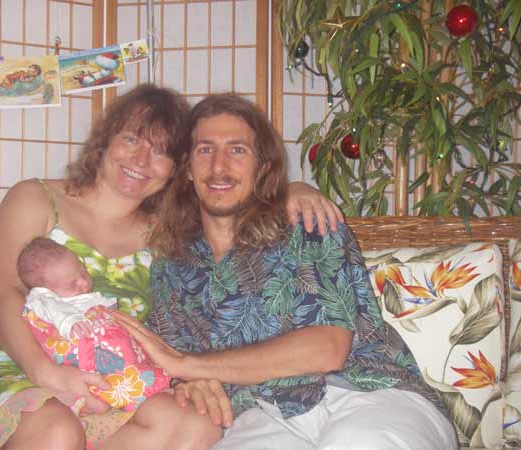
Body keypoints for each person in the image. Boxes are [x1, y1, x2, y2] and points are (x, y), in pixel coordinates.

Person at [0, 84, 343, 450]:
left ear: (177, 169)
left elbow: (235, 199)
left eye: (161, 152)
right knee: (56, 431)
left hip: (111, 379)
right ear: (105, 141)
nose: (142, 160)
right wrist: (46, 373)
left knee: (199, 425)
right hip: (9, 362)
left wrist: (295, 189)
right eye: (131, 140)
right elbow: (2, 293)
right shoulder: (37, 199)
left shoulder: (169, 230)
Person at [113, 93, 458, 450]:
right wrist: (185, 378)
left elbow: (326, 349)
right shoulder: (172, 265)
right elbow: (174, 365)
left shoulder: (307, 224)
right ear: (186, 168)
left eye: (237, 150)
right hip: (263, 416)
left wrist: (190, 365)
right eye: (205, 150)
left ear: (262, 167)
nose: (218, 167)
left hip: (369, 393)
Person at [17, 237, 170, 410]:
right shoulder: (42, 298)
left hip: (105, 333)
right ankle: (131, 389)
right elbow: (53, 309)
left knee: (130, 352)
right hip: (82, 344)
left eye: (82, 272)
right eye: (72, 284)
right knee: (111, 367)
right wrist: (70, 321)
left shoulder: (77, 294)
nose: (83, 282)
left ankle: (143, 378)